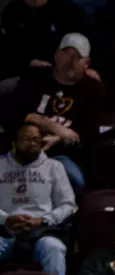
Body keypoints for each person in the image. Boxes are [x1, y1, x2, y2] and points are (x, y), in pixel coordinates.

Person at [10, 33, 103, 195]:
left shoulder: (93, 88)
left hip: (62, 156)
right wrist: (49, 125)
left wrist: (60, 138)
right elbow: (11, 113)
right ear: (56, 55)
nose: (70, 60)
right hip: (21, 151)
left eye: (77, 56)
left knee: (75, 182)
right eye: (66, 53)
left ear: (86, 63)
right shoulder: (35, 76)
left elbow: (89, 130)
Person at [0, 121, 76, 275]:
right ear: (14, 142)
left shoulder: (54, 167)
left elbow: (68, 204)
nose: (32, 144)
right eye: (26, 139)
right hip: (4, 231)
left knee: (55, 248)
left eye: (36, 139)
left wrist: (43, 220)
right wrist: (5, 219)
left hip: (40, 231)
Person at [0, 0, 92, 87]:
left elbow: (88, 40)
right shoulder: (11, 11)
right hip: (22, 72)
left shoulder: (68, 10)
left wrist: (90, 68)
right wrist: (29, 62)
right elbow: (8, 49)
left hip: (60, 73)